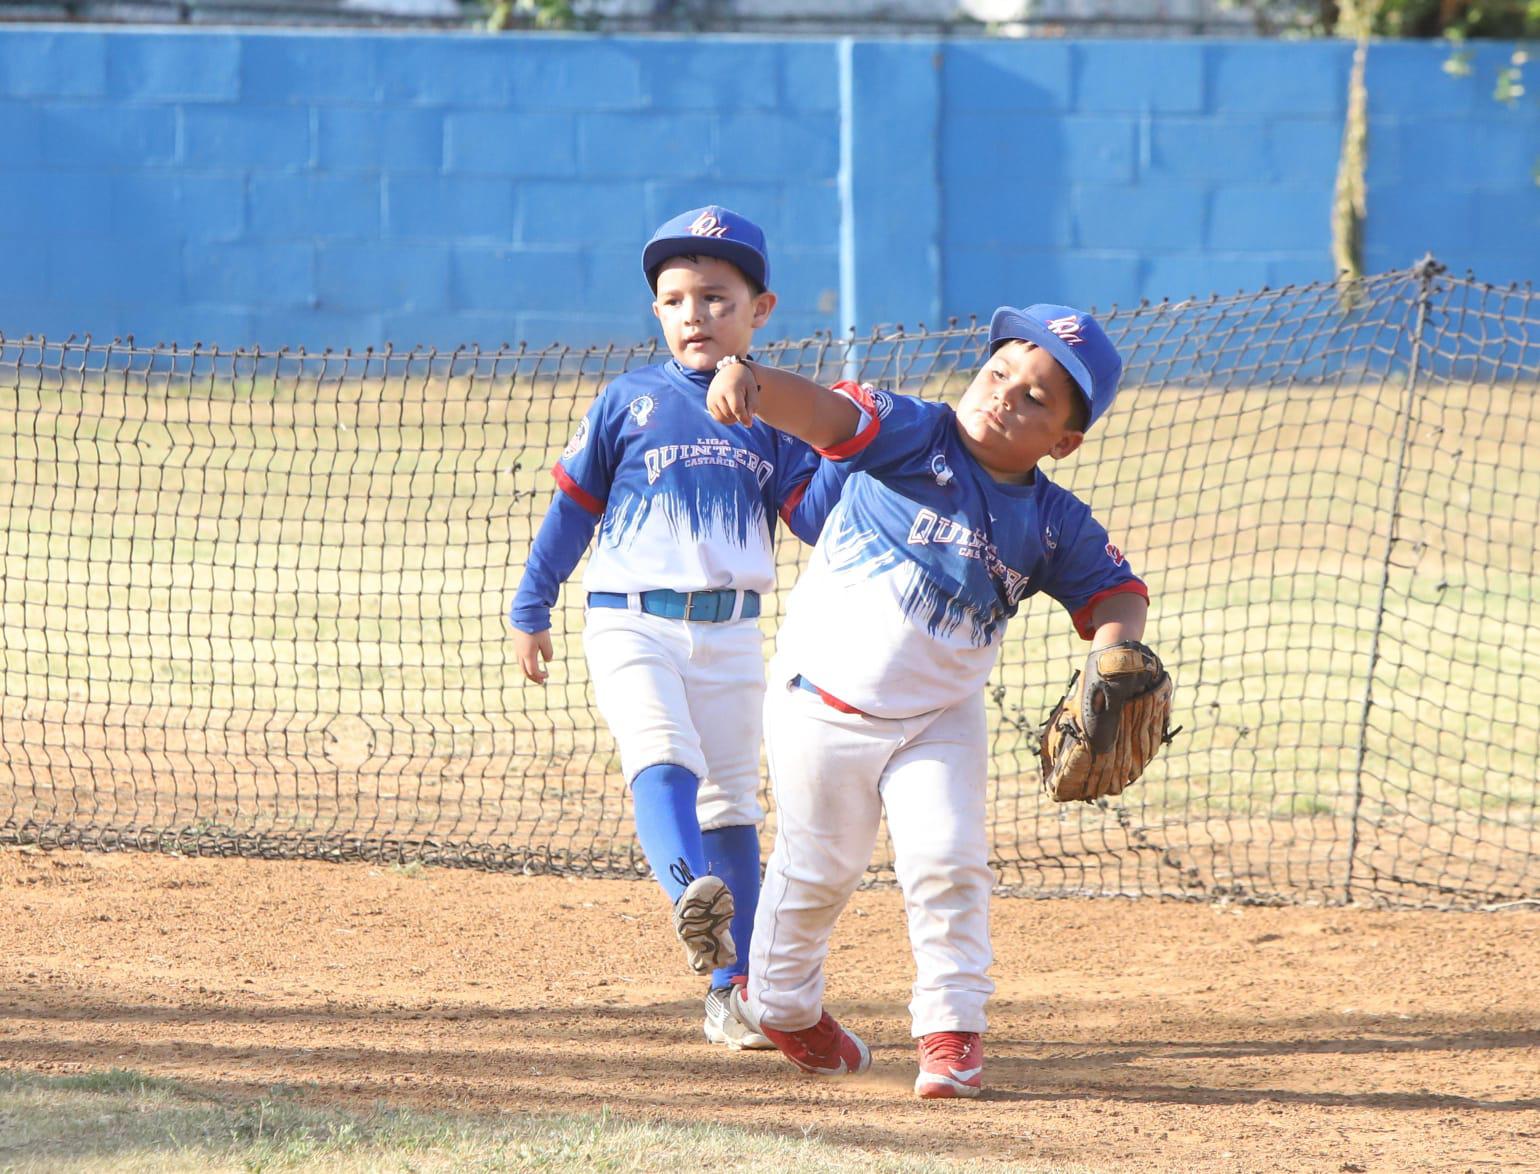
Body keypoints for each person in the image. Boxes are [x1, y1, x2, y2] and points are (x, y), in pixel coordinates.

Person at [705, 303, 1151, 1098]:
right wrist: (753, 382)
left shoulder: (1051, 521)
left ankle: (950, 1033)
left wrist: (1115, 658)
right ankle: (779, 1005)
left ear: (1064, 442)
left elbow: (1117, 591)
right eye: (1000, 371)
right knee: (819, 870)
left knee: (949, 863)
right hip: (821, 703)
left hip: (940, 719)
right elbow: (830, 414)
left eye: (1037, 399)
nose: (1006, 394)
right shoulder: (919, 434)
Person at [509, 206, 843, 1051]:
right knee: (661, 755)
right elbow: (573, 509)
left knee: (733, 803)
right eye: (675, 298)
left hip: (732, 633)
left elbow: (813, 518)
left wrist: (858, 459)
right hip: (631, 622)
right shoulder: (631, 400)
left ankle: (735, 989)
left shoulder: (777, 413)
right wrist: (531, 603)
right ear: (657, 311)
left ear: (760, 310)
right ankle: (692, 896)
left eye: (718, 298)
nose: (696, 313)